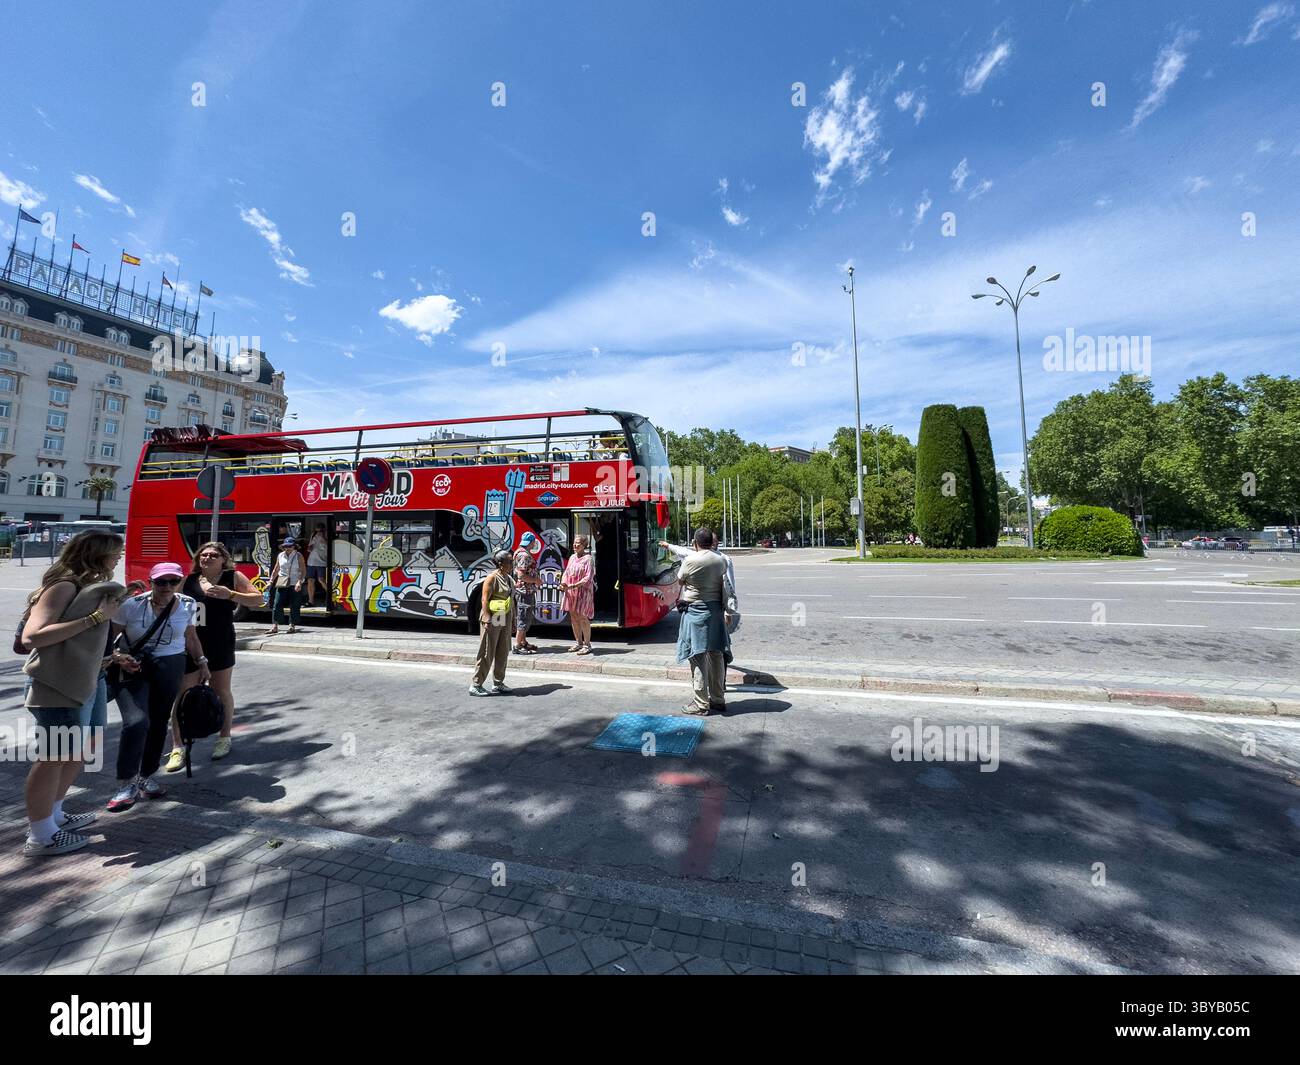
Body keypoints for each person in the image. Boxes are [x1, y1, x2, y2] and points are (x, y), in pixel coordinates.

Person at [20, 531, 127, 856]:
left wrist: (109, 658)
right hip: (57, 685)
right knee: (51, 758)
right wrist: (95, 618)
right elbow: (32, 637)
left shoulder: (88, 587)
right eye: (116, 552)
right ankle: (41, 836)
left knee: (77, 753)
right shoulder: (65, 585)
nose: (119, 557)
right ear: (97, 554)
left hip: (88, 680)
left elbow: (80, 645)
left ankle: (54, 816)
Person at [107, 562, 210, 812]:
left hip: (171, 664)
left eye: (172, 582)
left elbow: (191, 637)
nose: (166, 587)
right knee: (136, 722)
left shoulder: (188, 604)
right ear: (151, 581)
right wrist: (118, 657)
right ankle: (126, 782)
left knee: (158, 721)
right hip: (133, 665)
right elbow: (109, 640)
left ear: (179, 583)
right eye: (161, 582)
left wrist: (202, 662)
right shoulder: (131, 605)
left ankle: (147, 776)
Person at [164, 542, 266, 772]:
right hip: (190, 643)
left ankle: (224, 738)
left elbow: (259, 599)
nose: (207, 558)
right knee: (183, 694)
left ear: (223, 559)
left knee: (221, 691)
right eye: (203, 554)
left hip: (220, 642)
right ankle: (178, 747)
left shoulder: (232, 577)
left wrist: (230, 594)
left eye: (213, 555)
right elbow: (170, 603)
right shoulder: (188, 580)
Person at [675, 527, 731, 715]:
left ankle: (701, 703)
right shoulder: (721, 560)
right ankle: (718, 699)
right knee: (716, 654)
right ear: (712, 542)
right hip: (715, 611)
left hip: (696, 611)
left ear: (695, 542)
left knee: (697, 656)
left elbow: (680, 580)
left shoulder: (690, 560)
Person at [660, 535, 739, 634]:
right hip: (697, 606)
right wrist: (668, 545)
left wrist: (728, 612)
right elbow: (682, 550)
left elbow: (729, 586)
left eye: (713, 541)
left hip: (714, 606)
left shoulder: (724, 559)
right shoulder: (695, 555)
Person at [469, 550, 515, 696]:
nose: (512, 564)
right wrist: (487, 618)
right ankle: (476, 684)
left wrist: (513, 621)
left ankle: (498, 682)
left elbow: (511, 600)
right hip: (493, 616)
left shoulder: (508, 577)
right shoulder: (492, 578)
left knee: (503, 650)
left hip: (504, 616)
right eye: (509, 562)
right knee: (487, 651)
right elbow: (484, 600)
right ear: (500, 564)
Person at [560, 534, 595, 654]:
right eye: (574, 543)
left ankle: (587, 644)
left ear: (584, 545)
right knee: (574, 617)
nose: (575, 545)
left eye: (578, 543)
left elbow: (588, 578)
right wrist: (563, 583)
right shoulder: (572, 557)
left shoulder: (588, 559)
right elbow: (566, 572)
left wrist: (574, 585)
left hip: (583, 592)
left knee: (582, 617)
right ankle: (578, 643)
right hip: (571, 591)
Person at [265, 536, 305, 635]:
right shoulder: (280, 555)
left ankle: (292, 625)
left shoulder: (298, 555)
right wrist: (270, 581)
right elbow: (276, 569)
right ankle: (275, 626)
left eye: (290, 546)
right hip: (282, 582)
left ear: (294, 546)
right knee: (277, 603)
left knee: (294, 604)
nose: (288, 548)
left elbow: (303, 570)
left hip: (295, 582)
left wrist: (299, 582)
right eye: (286, 546)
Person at [512, 531, 542, 655]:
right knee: (524, 617)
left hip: (523, 590)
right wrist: (536, 580)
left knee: (525, 616)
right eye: (534, 542)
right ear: (532, 542)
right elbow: (521, 575)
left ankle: (523, 641)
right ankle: (518, 645)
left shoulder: (518, 552)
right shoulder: (524, 556)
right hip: (525, 591)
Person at [305, 524, 329, 607]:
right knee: (310, 580)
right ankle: (310, 601)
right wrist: (310, 546)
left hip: (321, 561)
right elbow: (309, 548)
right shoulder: (313, 535)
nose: (318, 533)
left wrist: (322, 537)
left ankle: (331, 598)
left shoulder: (327, 535)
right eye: (317, 531)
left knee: (321, 580)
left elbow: (329, 546)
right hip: (311, 561)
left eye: (320, 531)